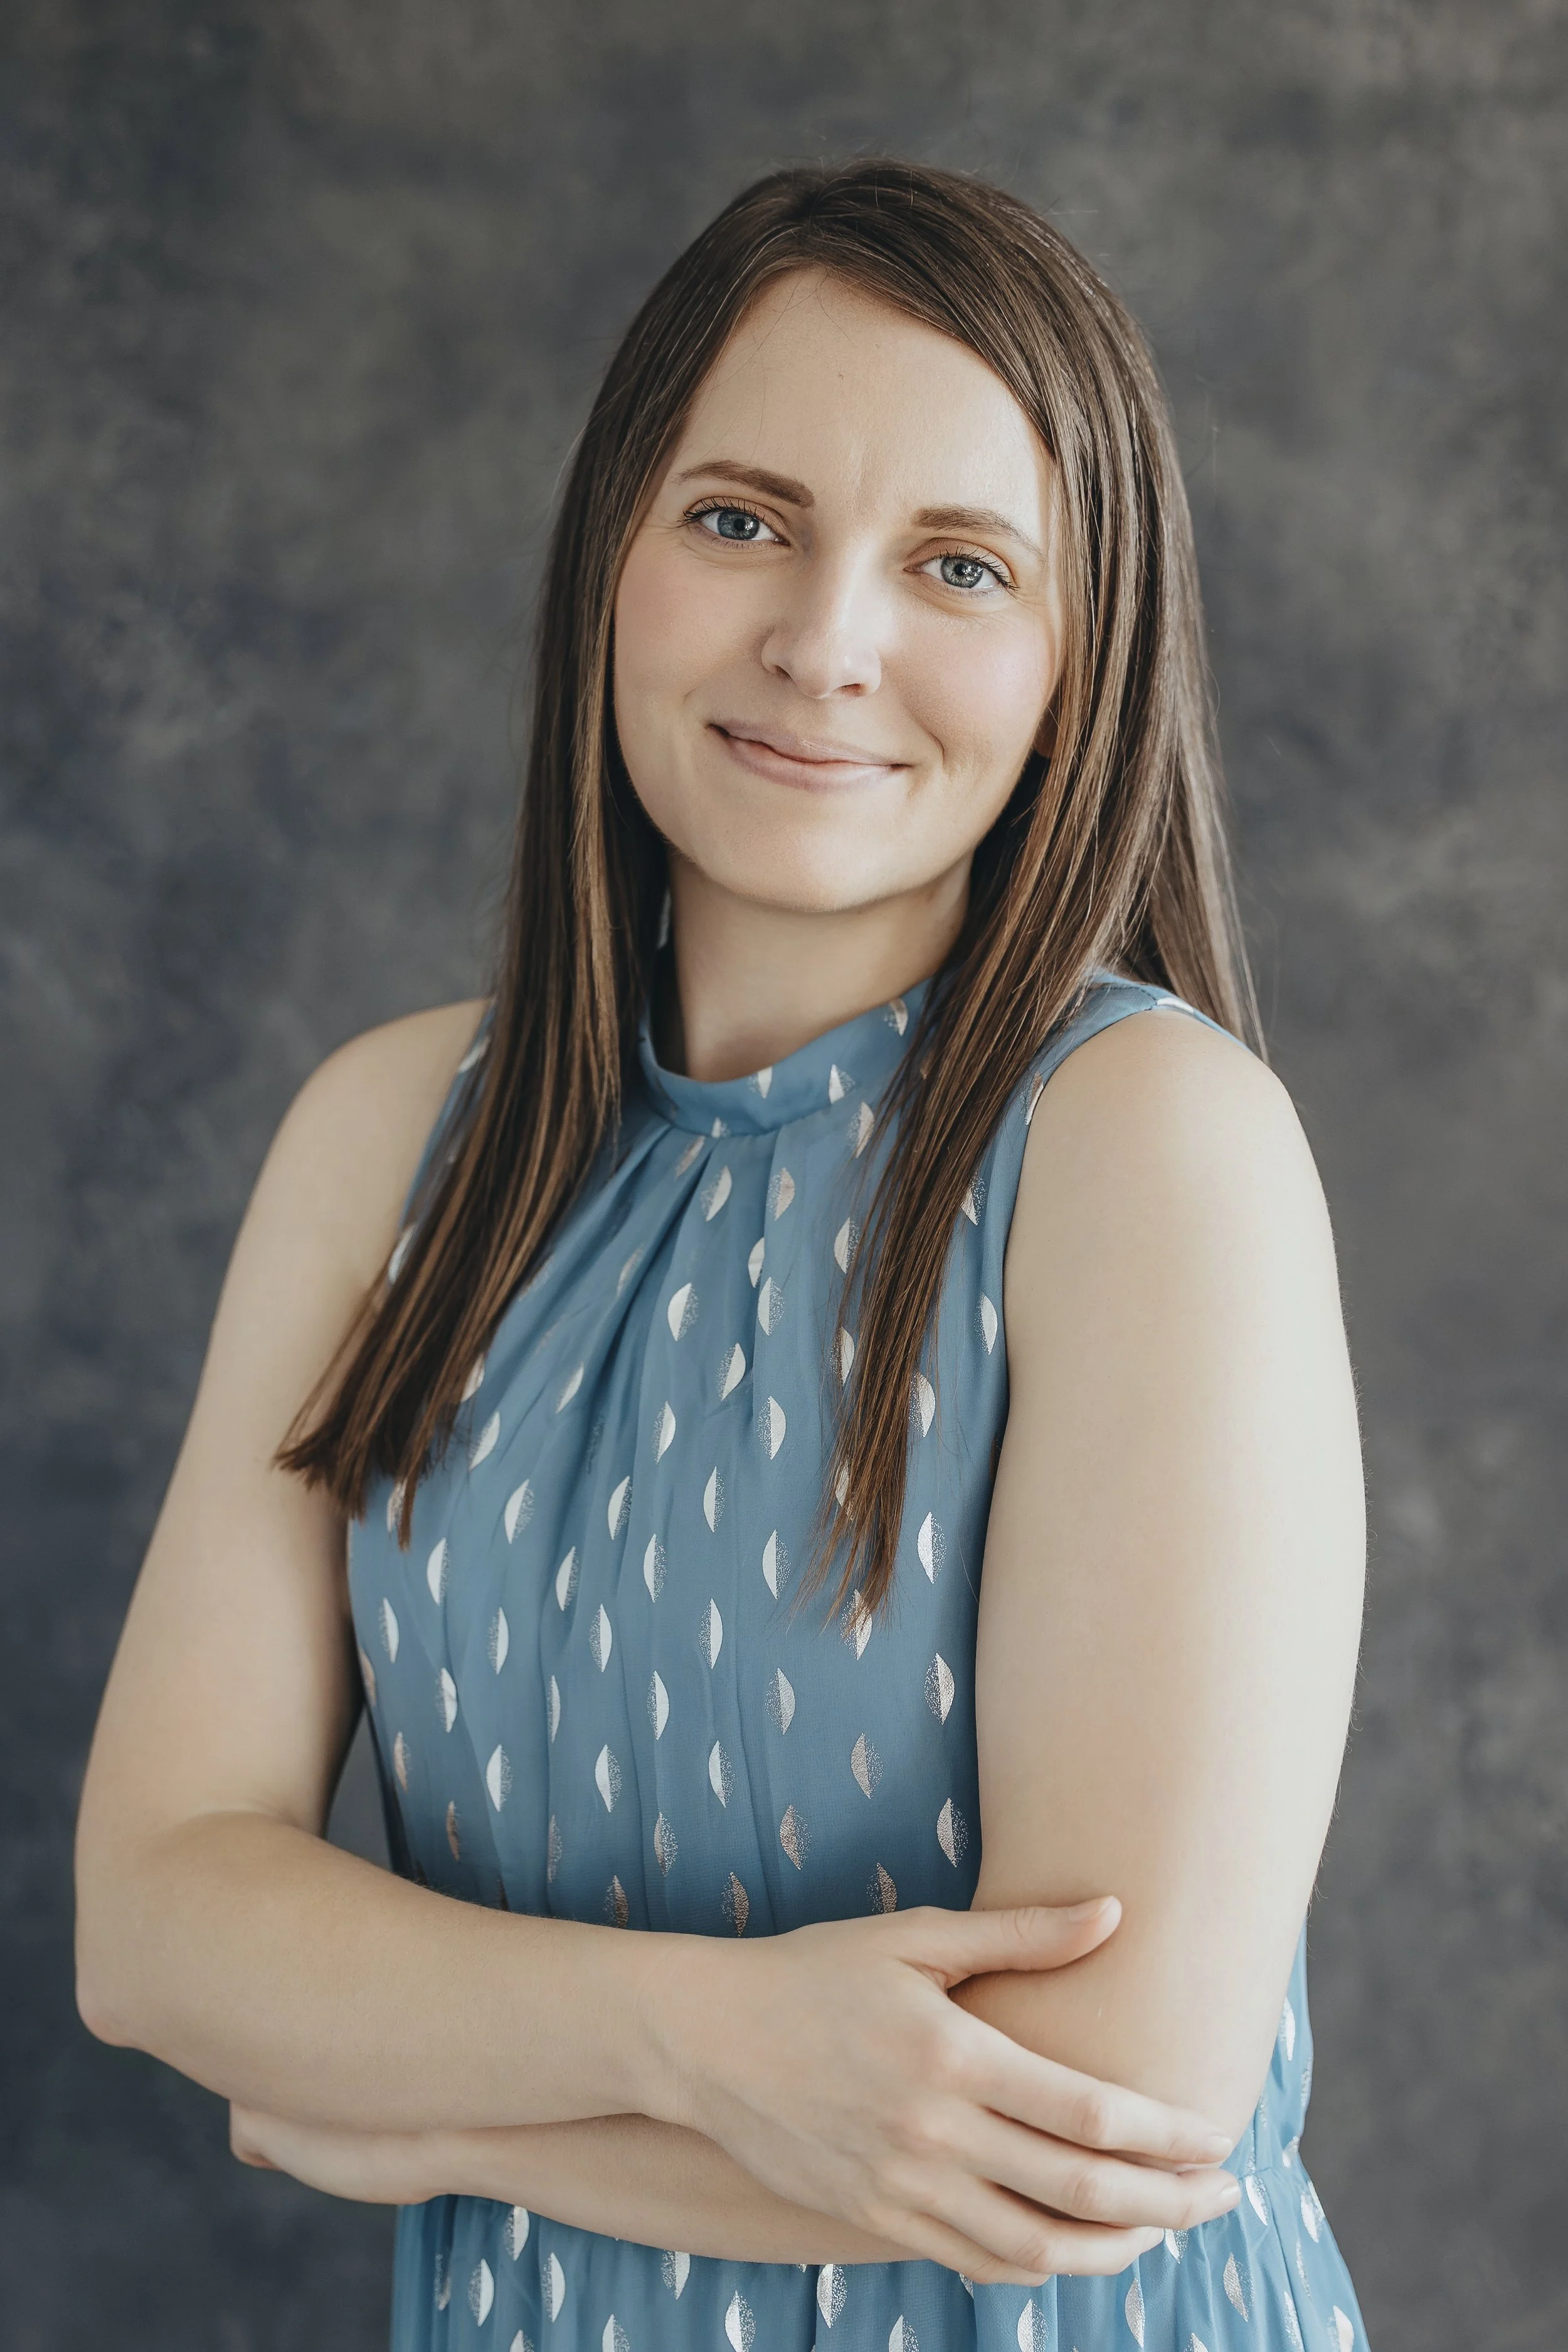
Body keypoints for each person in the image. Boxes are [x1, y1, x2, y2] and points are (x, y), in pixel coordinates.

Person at [74, 161, 1369, 2352]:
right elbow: (156, 1919)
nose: (825, 640)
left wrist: (422, 2115)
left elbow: (1094, 2128)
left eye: (956, 564)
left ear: (1083, 658)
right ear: (614, 551)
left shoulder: (1148, 1146)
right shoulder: (384, 1141)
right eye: (742, 518)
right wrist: (707, 2040)